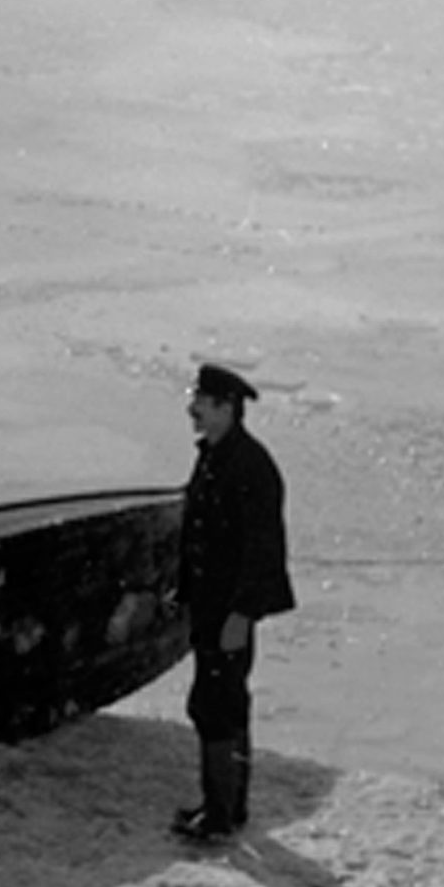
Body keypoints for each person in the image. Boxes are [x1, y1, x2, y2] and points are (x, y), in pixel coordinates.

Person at [172, 361, 295, 843]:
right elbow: (199, 532)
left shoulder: (250, 466)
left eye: (201, 404)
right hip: (211, 605)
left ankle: (220, 815)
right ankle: (226, 806)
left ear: (227, 408)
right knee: (224, 700)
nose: (193, 411)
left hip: (228, 610)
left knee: (215, 703)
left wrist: (242, 613)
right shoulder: (215, 455)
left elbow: (263, 549)